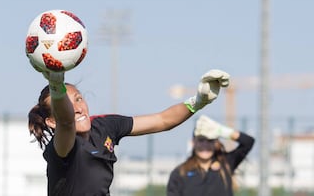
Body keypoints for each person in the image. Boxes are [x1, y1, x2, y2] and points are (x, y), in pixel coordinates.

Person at [27, 69, 230, 196]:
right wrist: (56, 85)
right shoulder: (60, 148)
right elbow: (67, 123)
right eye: (68, 105)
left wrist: (199, 101)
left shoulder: (105, 126)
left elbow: (162, 120)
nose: (78, 108)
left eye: (79, 98)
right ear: (51, 122)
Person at [166, 115, 255, 196]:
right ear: (193, 142)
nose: (205, 145)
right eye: (201, 140)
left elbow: (248, 142)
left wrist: (221, 130)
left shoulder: (226, 163)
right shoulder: (180, 172)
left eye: (210, 140)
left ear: (215, 143)